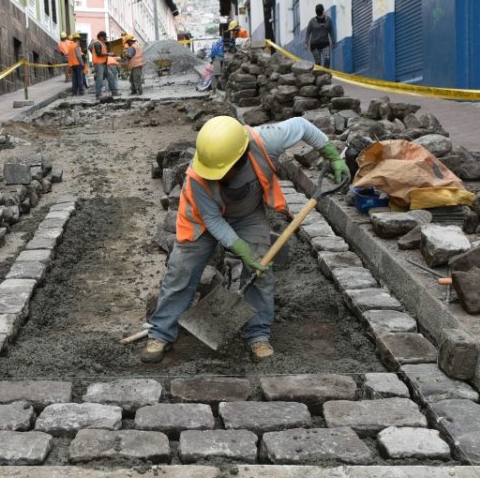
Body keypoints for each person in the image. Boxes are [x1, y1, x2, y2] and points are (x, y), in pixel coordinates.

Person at [141, 116, 350, 363]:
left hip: (248, 214)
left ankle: (258, 335)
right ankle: (161, 333)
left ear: (241, 157)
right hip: (201, 220)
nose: (217, 177)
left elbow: (303, 126)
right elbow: (214, 221)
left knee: (260, 270)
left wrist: (333, 157)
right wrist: (241, 249)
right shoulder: (197, 175)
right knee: (180, 272)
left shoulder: (265, 141)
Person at [90, 30, 120, 99]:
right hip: (98, 64)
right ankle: (98, 94)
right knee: (99, 79)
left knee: (110, 76)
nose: (105, 39)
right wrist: (108, 54)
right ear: (100, 37)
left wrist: (109, 55)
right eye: (104, 37)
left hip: (104, 64)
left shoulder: (102, 43)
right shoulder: (97, 43)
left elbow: (102, 53)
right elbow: (98, 53)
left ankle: (114, 92)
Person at [305, 4, 337, 68]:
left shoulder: (328, 20)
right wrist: (306, 43)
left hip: (325, 43)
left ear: (323, 10)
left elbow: (331, 31)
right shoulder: (312, 21)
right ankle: (319, 76)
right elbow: (308, 32)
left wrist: (333, 41)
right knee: (318, 62)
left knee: (327, 59)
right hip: (314, 45)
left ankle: (325, 75)